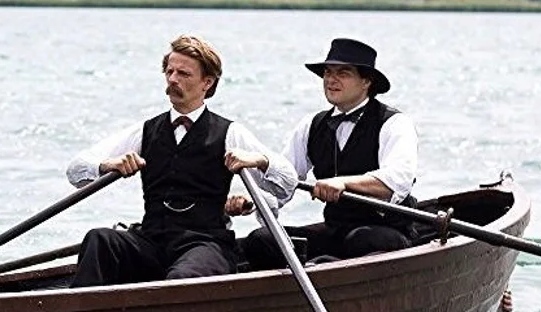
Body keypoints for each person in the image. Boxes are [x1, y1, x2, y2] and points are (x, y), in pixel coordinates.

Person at [65, 35, 296, 287]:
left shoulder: (230, 133)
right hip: (152, 241)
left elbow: (287, 183)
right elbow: (76, 171)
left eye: (184, 74)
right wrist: (106, 165)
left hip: (206, 244)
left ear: (207, 82)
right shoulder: (146, 130)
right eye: (169, 71)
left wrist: (260, 160)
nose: (173, 79)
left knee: (181, 279)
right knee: (100, 239)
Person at [242, 38, 420, 270]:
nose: (331, 80)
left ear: (366, 81)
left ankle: (322, 267)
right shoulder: (312, 125)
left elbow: (397, 181)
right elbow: (285, 180)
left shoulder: (394, 123)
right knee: (261, 239)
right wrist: (251, 201)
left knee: (362, 240)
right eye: (327, 72)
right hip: (337, 230)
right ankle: (318, 269)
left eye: (343, 73)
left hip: (386, 231)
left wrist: (343, 183)